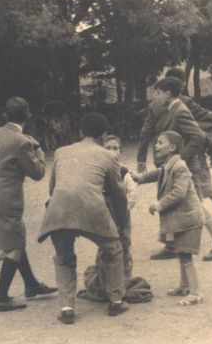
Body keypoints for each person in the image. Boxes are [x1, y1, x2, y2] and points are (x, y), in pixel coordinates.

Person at [38, 113, 129, 324]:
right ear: (104, 135)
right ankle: (116, 300)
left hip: (59, 209)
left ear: (80, 131)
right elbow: (118, 194)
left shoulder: (61, 152)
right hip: (91, 208)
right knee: (114, 249)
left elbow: (52, 188)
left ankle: (66, 307)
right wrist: (121, 222)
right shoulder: (108, 156)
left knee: (63, 256)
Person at [0, 97, 57, 312]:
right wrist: (38, 150)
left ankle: (31, 285)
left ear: (5, 116)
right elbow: (38, 173)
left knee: (17, 241)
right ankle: (0, 298)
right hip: (6, 200)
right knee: (14, 248)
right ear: (28, 116)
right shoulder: (22, 142)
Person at [137, 77, 212, 261]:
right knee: (172, 202)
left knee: (197, 204)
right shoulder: (172, 109)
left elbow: (197, 136)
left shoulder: (179, 110)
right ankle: (171, 246)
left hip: (187, 166)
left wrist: (180, 158)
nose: (157, 97)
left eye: (159, 93)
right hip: (178, 165)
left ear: (168, 94)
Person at [134, 131, 204, 306]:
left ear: (172, 147)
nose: (156, 146)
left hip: (189, 219)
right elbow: (159, 172)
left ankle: (195, 293)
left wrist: (159, 204)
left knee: (186, 255)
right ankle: (184, 286)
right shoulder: (169, 164)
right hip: (183, 219)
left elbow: (179, 193)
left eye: (160, 142)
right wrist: (140, 177)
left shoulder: (180, 166)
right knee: (181, 252)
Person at [103, 134, 136, 278]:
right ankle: (108, 277)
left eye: (115, 148)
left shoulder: (123, 172)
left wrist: (125, 209)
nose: (112, 151)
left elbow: (132, 193)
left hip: (122, 214)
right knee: (107, 246)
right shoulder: (99, 172)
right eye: (108, 148)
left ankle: (126, 275)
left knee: (124, 243)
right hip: (105, 214)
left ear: (120, 152)